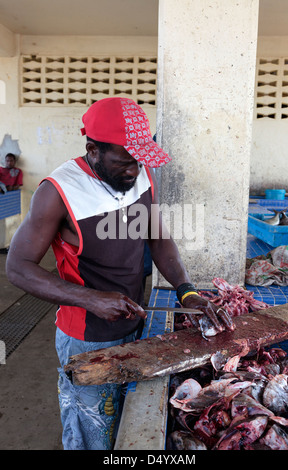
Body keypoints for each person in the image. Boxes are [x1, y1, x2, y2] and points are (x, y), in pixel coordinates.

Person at [6, 97, 235, 450]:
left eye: (139, 160)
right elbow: (18, 267)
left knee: (121, 426)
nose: (134, 170)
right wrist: (90, 298)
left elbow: (158, 238)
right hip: (87, 337)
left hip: (135, 324)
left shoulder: (141, 174)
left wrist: (187, 291)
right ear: (93, 150)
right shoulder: (58, 192)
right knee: (91, 432)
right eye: (124, 161)